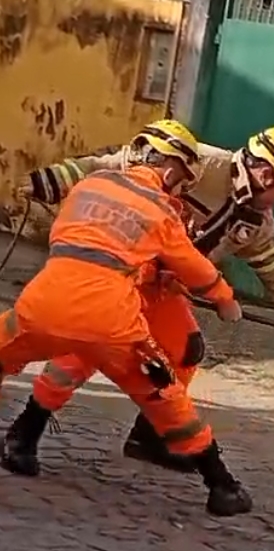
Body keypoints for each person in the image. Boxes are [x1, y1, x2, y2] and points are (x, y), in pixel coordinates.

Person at [5, 126, 274, 474]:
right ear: (265, 173)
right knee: (81, 353)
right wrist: (51, 181)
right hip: (120, 280)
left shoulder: (257, 224)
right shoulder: (198, 162)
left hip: (161, 291)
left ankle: (150, 437)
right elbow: (111, 166)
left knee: (185, 349)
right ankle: (26, 431)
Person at [0, 119, 253, 516]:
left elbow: (87, 237)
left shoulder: (87, 186)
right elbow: (194, 268)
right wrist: (224, 298)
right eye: (181, 181)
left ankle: (22, 440)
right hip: (113, 320)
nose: (180, 189)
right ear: (170, 170)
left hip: (42, 301)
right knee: (164, 392)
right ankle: (222, 486)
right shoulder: (162, 210)